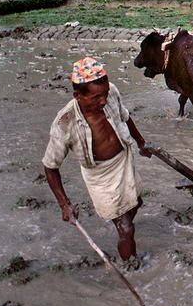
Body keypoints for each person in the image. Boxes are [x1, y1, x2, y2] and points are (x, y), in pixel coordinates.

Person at [43, 57, 153, 266]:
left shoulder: (110, 91)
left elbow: (125, 117)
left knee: (136, 202)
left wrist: (141, 142)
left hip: (124, 158)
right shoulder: (65, 122)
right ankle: (132, 267)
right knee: (126, 227)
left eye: (104, 95)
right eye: (95, 98)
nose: (103, 101)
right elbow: (50, 165)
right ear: (78, 95)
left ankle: (122, 221)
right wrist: (64, 204)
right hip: (100, 175)